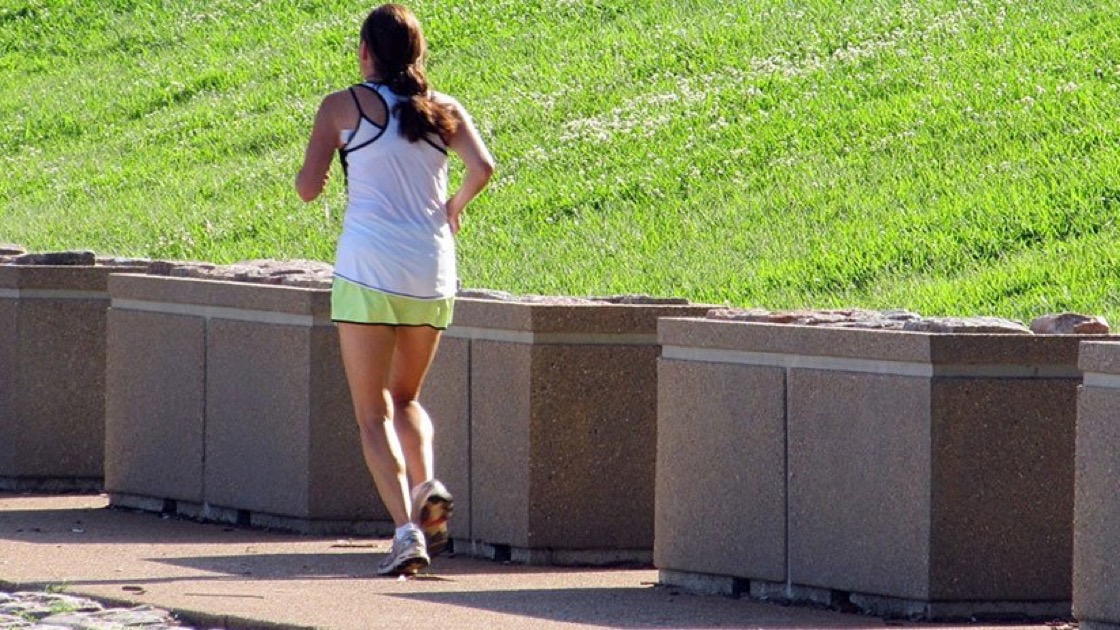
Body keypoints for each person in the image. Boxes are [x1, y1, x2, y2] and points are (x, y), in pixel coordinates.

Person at [295, 3, 494, 576]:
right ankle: (426, 485)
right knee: (405, 397)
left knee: (370, 412)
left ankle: (407, 532)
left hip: (367, 270)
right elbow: (483, 168)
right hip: (430, 270)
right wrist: (451, 210)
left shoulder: (342, 106)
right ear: (418, 53)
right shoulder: (443, 110)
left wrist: (328, 162)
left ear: (365, 53)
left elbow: (308, 190)